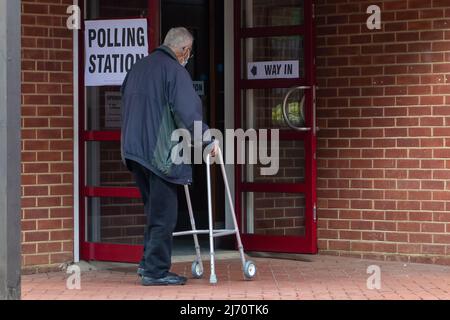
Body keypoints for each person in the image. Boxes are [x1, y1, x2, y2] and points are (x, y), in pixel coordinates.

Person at [121, 27, 218, 286]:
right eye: (189, 53)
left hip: (134, 150)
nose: (189, 57)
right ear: (184, 51)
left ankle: (147, 264)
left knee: (154, 211)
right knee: (164, 215)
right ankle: (155, 271)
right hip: (160, 153)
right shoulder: (176, 72)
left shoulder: (138, 68)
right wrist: (208, 140)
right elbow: (188, 113)